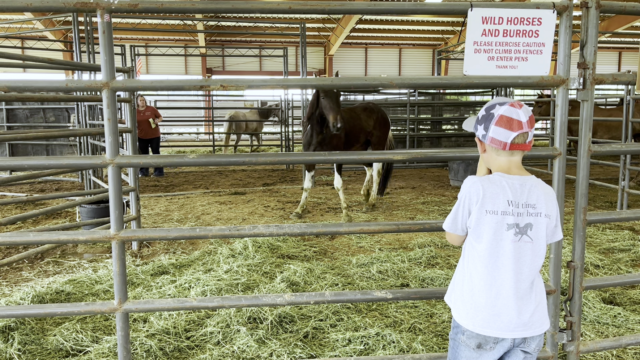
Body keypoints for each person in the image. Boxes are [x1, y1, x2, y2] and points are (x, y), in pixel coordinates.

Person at [442, 97, 563, 360]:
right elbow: (548, 237)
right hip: (528, 322)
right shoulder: (546, 192)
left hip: (480, 320)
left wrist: (480, 170)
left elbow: (453, 238)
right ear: (528, 145)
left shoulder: (476, 187)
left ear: (479, 144)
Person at [135, 95, 164, 177]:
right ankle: (143, 171)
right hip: (141, 136)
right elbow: (128, 120)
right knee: (144, 154)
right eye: (140, 100)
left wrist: (157, 121)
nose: (142, 101)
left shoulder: (151, 109)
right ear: (137, 102)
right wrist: (117, 120)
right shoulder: (135, 111)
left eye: (143, 100)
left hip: (154, 135)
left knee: (156, 152)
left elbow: (160, 117)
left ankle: (159, 172)